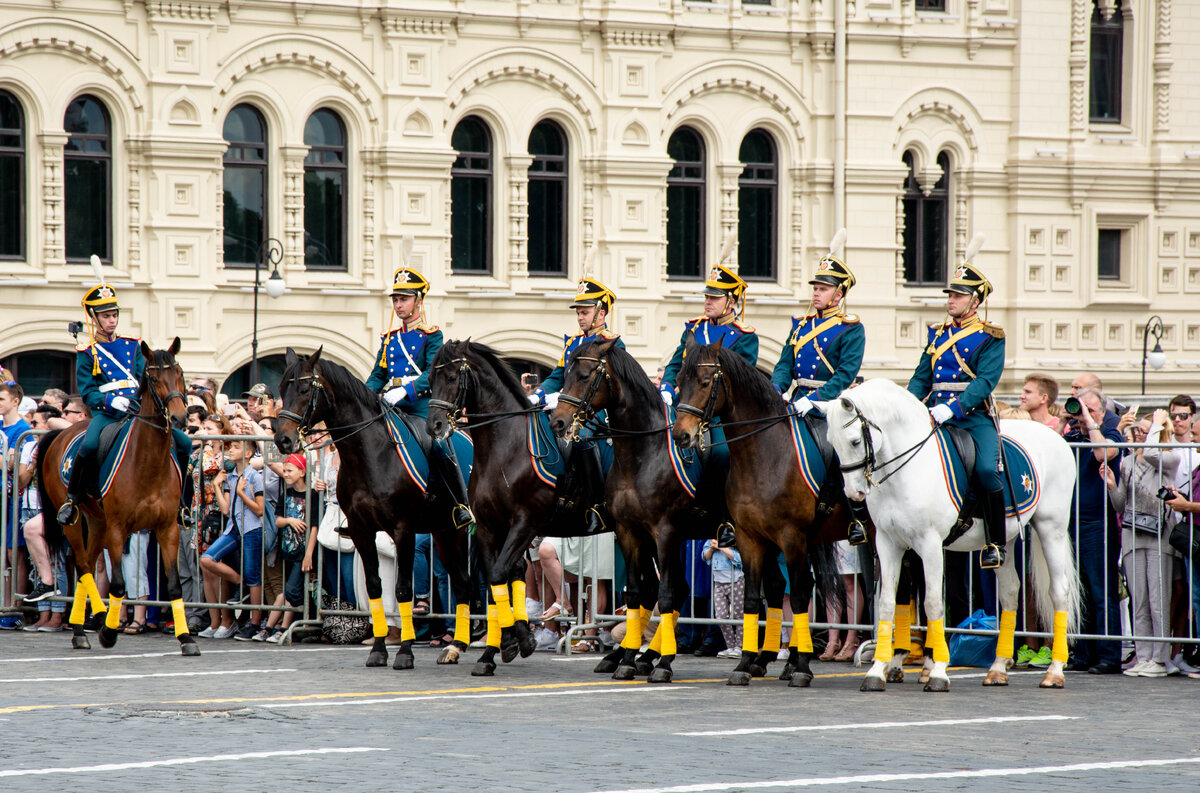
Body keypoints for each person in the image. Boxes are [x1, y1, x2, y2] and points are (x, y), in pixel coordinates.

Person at [57, 272, 191, 524]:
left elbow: (147, 379)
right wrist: (110, 402)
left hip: (137, 409)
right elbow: (87, 391)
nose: (112, 320)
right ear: (94, 318)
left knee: (183, 443)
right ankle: (73, 499)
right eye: (106, 316)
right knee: (89, 445)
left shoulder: (132, 345)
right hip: (107, 413)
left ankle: (183, 503)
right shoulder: (87, 352)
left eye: (114, 315)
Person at [905, 244, 1007, 569]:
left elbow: (984, 382)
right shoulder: (937, 335)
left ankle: (995, 541)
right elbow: (921, 378)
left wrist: (954, 408)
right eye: (950, 295)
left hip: (973, 417)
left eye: (958, 296)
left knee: (986, 471)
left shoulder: (991, 337)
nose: (951, 300)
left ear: (975, 301)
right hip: (934, 415)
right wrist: (908, 405)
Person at [771, 230, 868, 544]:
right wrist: (776, 389)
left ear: (838, 294)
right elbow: (785, 363)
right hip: (795, 400)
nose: (816, 293)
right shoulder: (800, 323)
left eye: (823, 288)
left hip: (830, 404)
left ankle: (855, 518)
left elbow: (844, 375)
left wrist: (814, 400)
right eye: (815, 286)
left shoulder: (851, 328)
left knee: (836, 450)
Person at [364, 256, 473, 529]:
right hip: (392, 406)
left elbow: (432, 373)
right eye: (396, 300)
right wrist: (364, 396)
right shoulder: (389, 338)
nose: (399, 305)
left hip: (422, 406)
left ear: (418, 301)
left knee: (438, 442)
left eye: (404, 299)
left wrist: (406, 391)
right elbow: (379, 374)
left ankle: (460, 503)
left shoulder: (431, 335)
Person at [658, 259, 758, 532]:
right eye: (707, 296)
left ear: (731, 301)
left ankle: (722, 516)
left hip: (718, 412)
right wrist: (667, 386)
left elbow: (741, 379)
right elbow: (675, 363)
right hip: (687, 405)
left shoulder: (744, 336)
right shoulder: (693, 329)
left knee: (722, 453)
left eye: (714, 297)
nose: (708, 301)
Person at [528, 275, 624, 534]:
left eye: (585, 311)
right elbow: (557, 377)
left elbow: (615, 386)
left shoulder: (611, 342)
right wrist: (537, 396)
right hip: (571, 408)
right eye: (578, 312)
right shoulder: (573, 343)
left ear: (601, 312)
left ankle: (597, 506)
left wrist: (562, 399)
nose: (580, 317)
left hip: (599, 413)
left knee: (582, 438)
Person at [1107, 410, 1177, 677]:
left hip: (1160, 534)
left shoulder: (1167, 457)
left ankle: (1160, 659)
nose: (1138, 433)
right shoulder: (1126, 462)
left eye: (1144, 430)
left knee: (1159, 599)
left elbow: (1151, 454)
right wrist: (1113, 486)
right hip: (1132, 534)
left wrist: (1157, 425)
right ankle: (1144, 655)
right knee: (1140, 600)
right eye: (1138, 430)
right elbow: (1120, 505)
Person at [1062, 386, 1123, 674]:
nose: (1083, 414)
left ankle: (1109, 654)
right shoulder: (1070, 436)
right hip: (1070, 522)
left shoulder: (1112, 435)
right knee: (1080, 592)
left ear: (1101, 412)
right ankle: (1082, 652)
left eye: (1090, 408)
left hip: (1097, 523)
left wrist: (1091, 423)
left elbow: (1102, 455)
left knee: (1102, 592)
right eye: (1080, 408)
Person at [199, 434, 265, 640]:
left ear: (248, 453)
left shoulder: (254, 475)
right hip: (233, 528)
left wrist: (244, 494)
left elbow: (260, 510)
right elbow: (226, 509)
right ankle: (240, 584)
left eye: (236, 447)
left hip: (251, 528)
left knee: (254, 575)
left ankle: (254, 623)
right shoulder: (230, 476)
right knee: (207, 559)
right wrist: (218, 486)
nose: (231, 449)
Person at [1, 381, 33, 629]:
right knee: (2, 556)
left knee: (14, 554)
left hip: (14, 498)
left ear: (15, 401)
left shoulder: (24, 430)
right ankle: (4, 605)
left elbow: (14, 465)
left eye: (2, 399)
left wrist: (7, 459)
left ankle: (15, 608)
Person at [703, 533, 744, 659]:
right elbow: (705, 557)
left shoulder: (736, 535)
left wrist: (722, 547)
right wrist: (711, 548)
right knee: (721, 616)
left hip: (736, 580)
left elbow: (740, 558)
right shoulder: (713, 535)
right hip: (718, 581)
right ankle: (730, 646)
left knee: (738, 615)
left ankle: (740, 646)